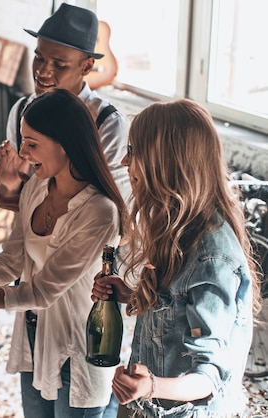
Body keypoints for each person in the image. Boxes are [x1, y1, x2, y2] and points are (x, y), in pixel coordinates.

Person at [0, 88, 126, 418]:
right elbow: (12, 260)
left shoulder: (99, 212)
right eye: (23, 140)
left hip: (80, 346)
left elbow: (42, 291)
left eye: (32, 144)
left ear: (65, 145)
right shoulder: (37, 185)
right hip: (33, 334)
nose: (22, 152)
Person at [91, 98, 261, 417]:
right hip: (148, 407)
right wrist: (128, 295)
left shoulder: (212, 256)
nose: (125, 163)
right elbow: (175, 310)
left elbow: (207, 378)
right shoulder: (175, 226)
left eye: (133, 151)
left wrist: (150, 385)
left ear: (164, 162)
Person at [0, 3, 131, 211]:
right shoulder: (21, 110)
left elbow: (114, 207)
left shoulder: (107, 124)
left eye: (59, 64)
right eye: (39, 58)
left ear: (86, 66)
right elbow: (21, 191)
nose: (43, 71)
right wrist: (11, 186)